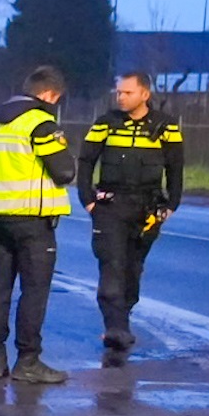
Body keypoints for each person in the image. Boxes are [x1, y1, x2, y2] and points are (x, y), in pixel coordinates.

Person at [0, 65, 76, 383]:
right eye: (55, 99)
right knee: (34, 291)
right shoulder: (41, 125)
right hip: (32, 222)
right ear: (47, 94)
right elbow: (64, 172)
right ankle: (28, 361)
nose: (54, 105)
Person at [80, 71, 183, 353]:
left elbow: (175, 167)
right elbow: (86, 161)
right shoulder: (106, 123)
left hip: (148, 209)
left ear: (144, 94)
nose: (121, 97)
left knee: (132, 268)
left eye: (127, 92)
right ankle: (115, 328)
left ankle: (122, 320)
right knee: (111, 265)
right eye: (119, 92)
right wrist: (88, 200)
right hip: (110, 207)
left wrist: (172, 204)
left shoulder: (166, 126)